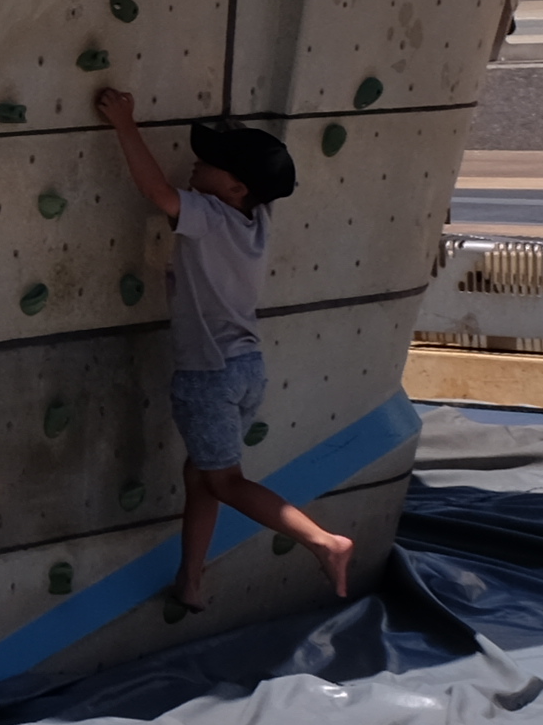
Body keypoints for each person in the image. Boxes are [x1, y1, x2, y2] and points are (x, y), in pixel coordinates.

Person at [95, 85, 357, 612]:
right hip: (246, 370)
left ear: (236, 189)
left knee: (225, 481)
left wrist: (125, 124)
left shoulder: (209, 217)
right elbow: (224, 191)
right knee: (202, 479)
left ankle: (323, 541)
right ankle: (190, 582)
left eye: (209, 164)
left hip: (208, 376)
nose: (195, 166)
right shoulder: (254, 220)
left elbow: (155, 192)